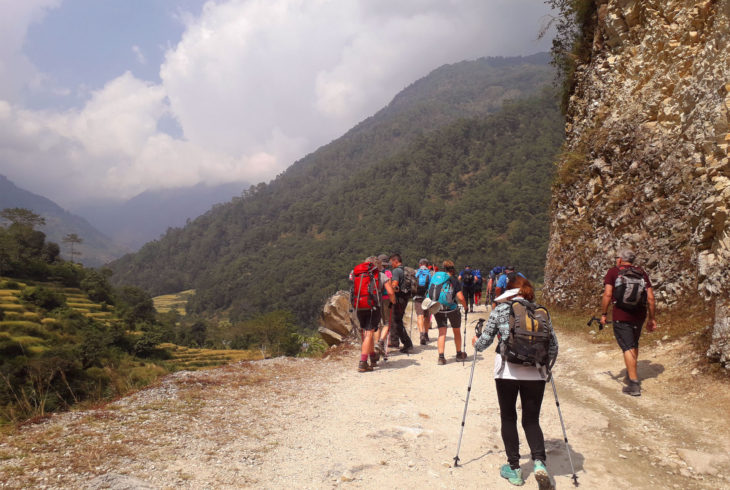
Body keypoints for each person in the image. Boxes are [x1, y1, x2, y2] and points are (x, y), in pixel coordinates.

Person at [472, 276, 558, 488]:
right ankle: (539, 463)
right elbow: (553, 346)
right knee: (531, 420)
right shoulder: (541, 311)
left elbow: (484, 343)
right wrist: (546, 369)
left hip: (506, 372)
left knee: (508, 417)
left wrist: (476, 343)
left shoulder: (501, 310)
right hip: (536, 373)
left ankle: (515, 469)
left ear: (509, 291)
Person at [601, 248, 657, 396]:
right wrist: (651, 318)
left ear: (620, 259)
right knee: (634, 343)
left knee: (627, 346)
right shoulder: (641, 272)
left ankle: (633, 383)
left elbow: (607, 294)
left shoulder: (613, 271)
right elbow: (650, 298)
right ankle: (631, 373)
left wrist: (604, 314)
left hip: (621, 314)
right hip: (639, 314)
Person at [352, 257, 394, 372]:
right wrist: (393, 301)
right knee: (370, 333)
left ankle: (372, 356)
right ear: (377, 265)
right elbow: (390, 291)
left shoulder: (357, 273)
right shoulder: (380, 275)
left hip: (359, 305)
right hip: (373, 306)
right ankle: (363, 362)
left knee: (366, 331)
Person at [431, 260, 468, 364]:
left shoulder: (437, 278)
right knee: (456, 331)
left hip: (439, 308)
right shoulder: (454, 279)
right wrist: (465, 307)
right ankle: (459, 354)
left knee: (442, 332)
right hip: (452, 309)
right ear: (452, 268)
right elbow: (460, 297)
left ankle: (441, 357)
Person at [389, 253, 414, 353]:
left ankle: (407, 344)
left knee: (397, 321)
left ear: (395, 261)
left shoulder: (396, 271)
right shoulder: (405, 270)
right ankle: (397, 342)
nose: (391, 264)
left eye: (391, 262)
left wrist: (390, 290)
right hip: (405, 297)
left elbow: (395, 285)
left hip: (399, 299)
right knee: (398, 320)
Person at [375, 254, 394, 355]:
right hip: (386, 299)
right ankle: (381, 342)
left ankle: (376, 346)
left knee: (377, 324)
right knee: (387, 323)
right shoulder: (387, 272)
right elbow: (389, 287)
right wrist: (393, 299)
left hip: (375, 299)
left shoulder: (373, 273)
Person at [413, 258, 433, 345]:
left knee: (419, 316)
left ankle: (421, 334)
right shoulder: (431, 272)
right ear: (427, 265)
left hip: (417, 297)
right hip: (427, 297)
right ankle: (426, 334)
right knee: (427, 316)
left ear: (419, 264)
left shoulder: (415, 272)